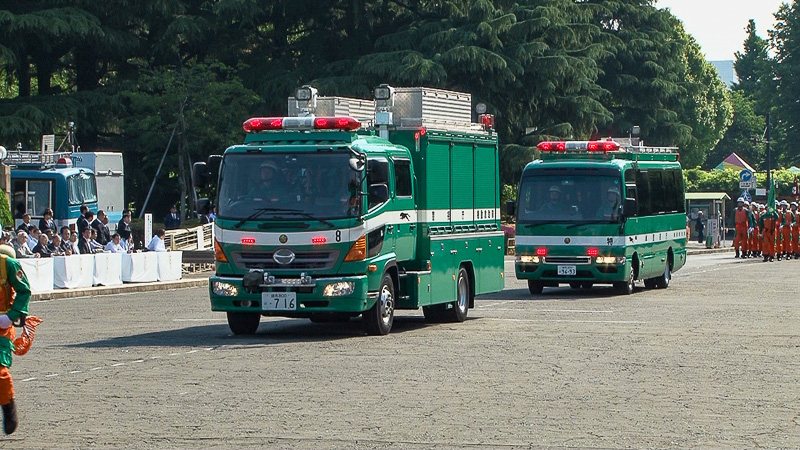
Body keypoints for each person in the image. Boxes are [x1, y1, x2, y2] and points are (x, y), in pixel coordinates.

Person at [0, 243, 42, 435]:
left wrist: (11, 315)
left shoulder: (6, 264)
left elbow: (24, 290)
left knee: (0, 372)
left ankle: (8, 406)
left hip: (1, 326)